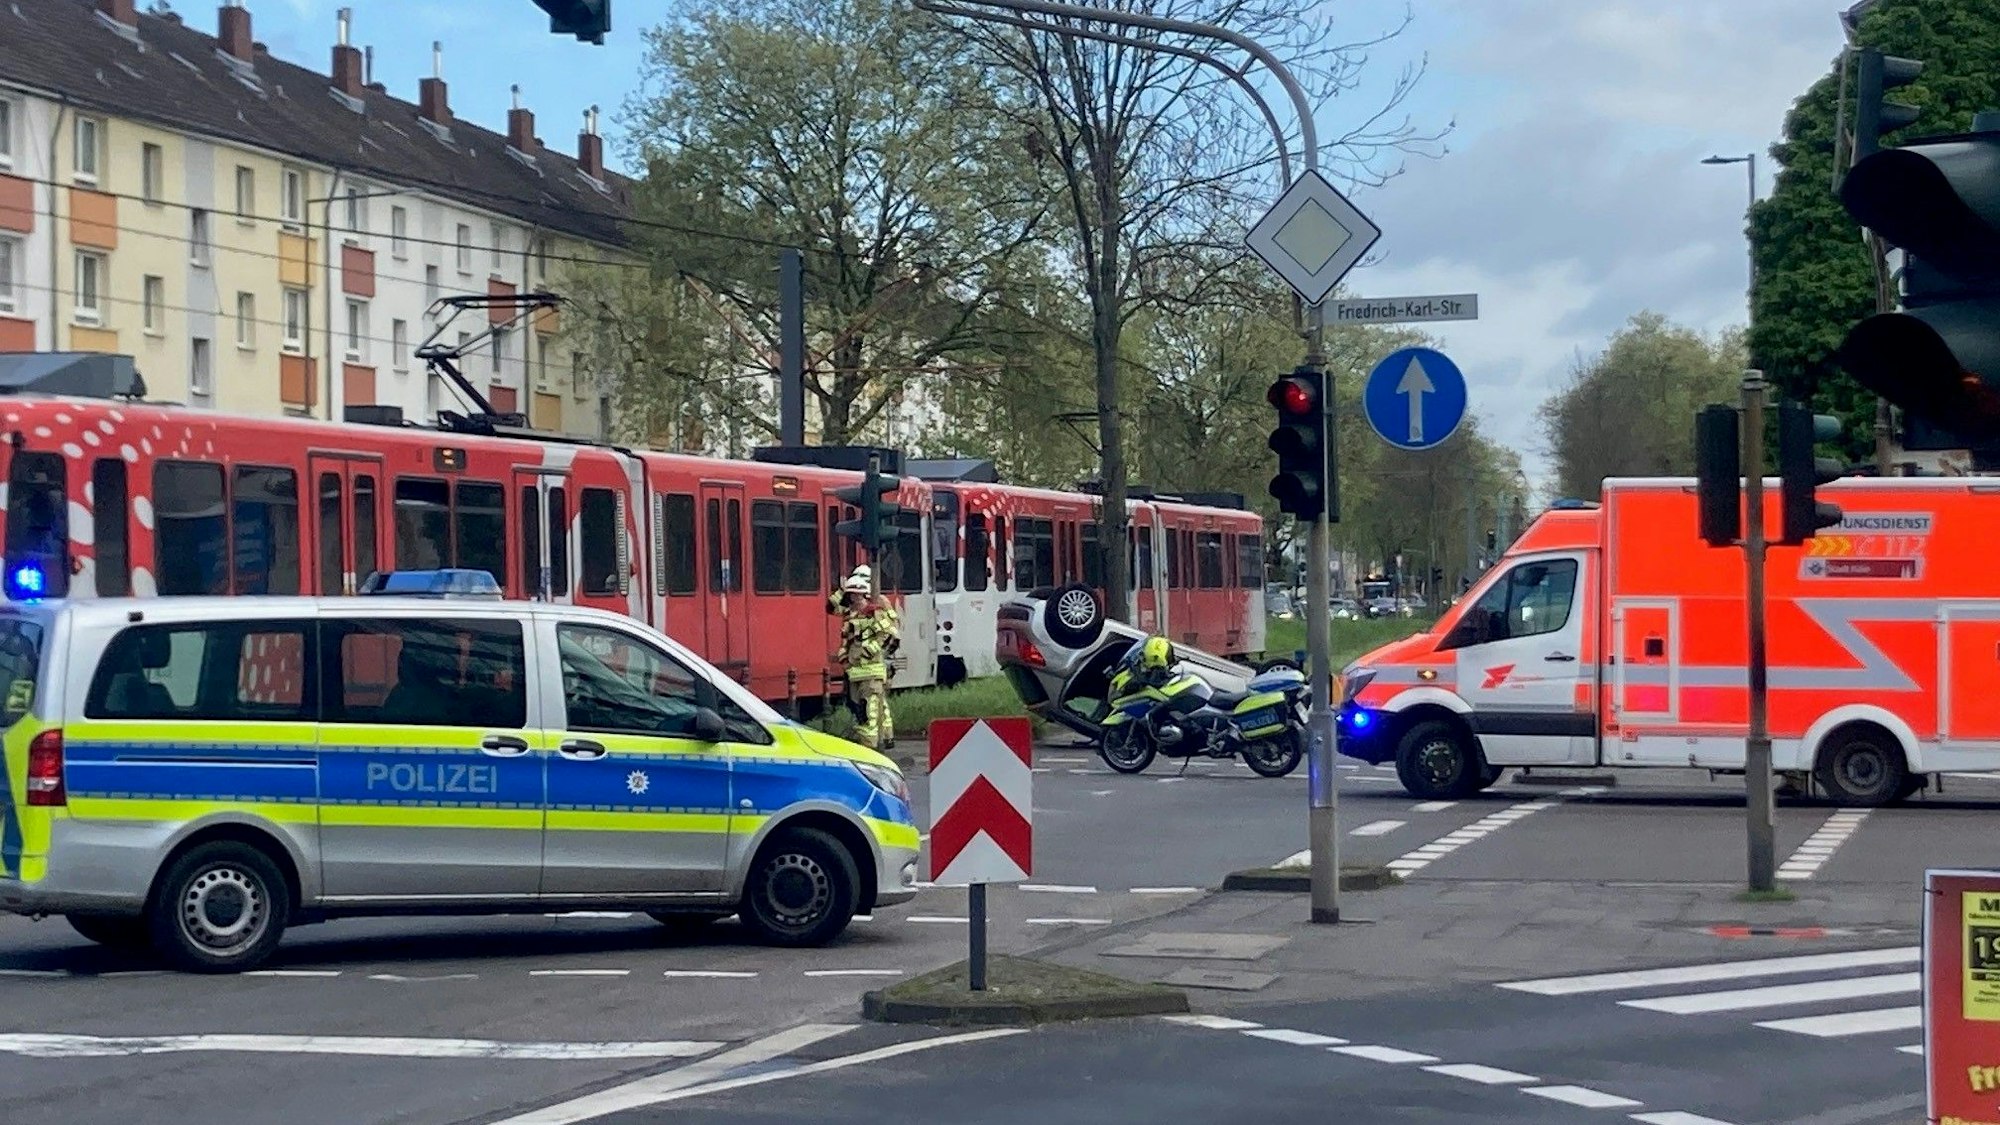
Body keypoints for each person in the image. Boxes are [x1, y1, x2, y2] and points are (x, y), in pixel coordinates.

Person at [827, 565, 900, 750]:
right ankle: (885, 737)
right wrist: (845, 588)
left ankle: (873, 743)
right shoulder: (851, 609)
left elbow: (890, 632)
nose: (854, 597)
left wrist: (870, 651)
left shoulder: (878, 604)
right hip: (856, 669)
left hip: (873, 665)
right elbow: (830, 607)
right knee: (876, 705)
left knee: (871, 708)